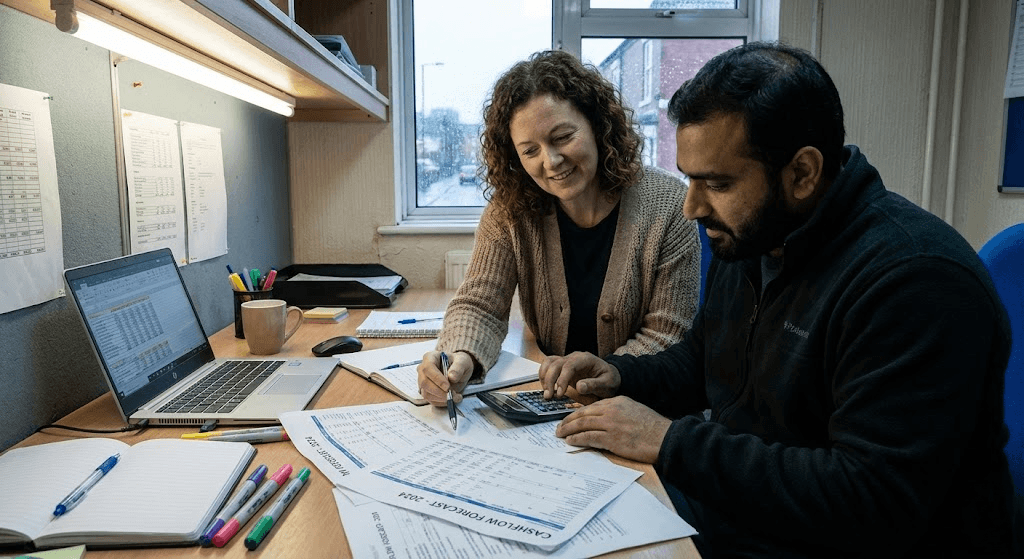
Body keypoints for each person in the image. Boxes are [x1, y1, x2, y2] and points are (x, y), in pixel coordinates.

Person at [541, 42, 1021, 557]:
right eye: (689, 179)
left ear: (802, 173)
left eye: (717, 184)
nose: (691, 208)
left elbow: (870, 499)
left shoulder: (917, 282)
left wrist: (670, 441)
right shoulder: (754, 238)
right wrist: (619, 375)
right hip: (756, 512)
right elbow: (704, 362)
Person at [417, 50, 701, 406]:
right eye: (529, 150)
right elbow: (481, 305)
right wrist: (461, 357)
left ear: (598, 126)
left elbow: (668, 335)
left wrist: (605, 373)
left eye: (563, 137)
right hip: (554, 401)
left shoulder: (669, 204)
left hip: (639, 403)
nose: (550, 162)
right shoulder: (510, 209)